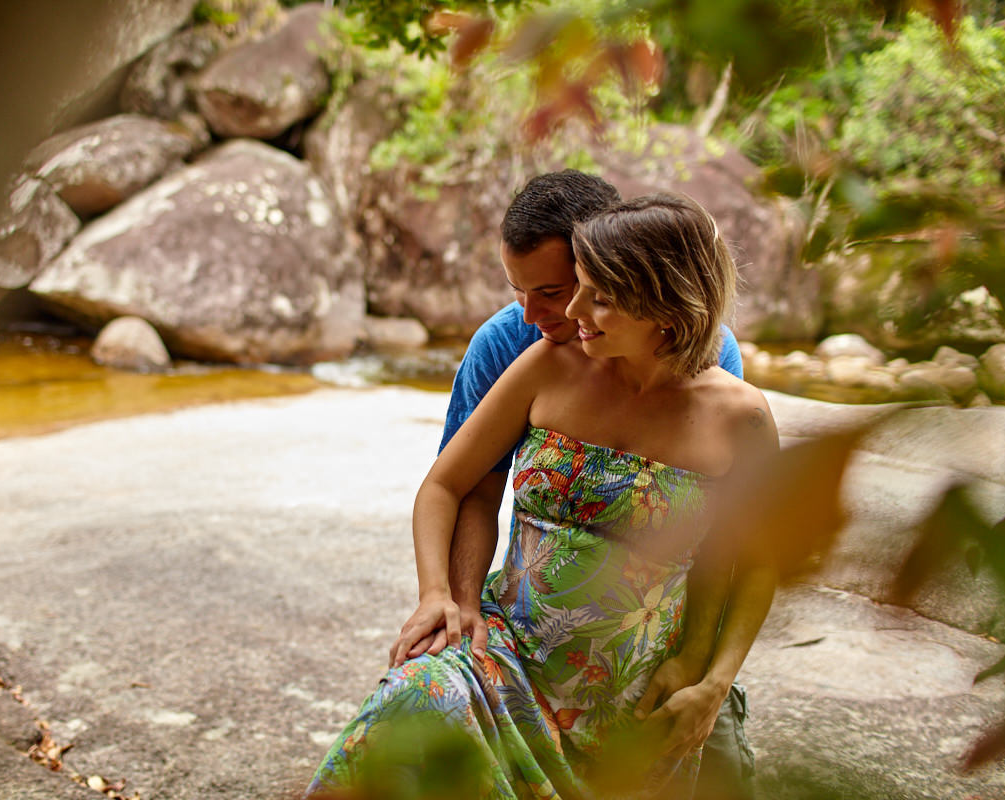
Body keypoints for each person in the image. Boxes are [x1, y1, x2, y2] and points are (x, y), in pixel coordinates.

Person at [306, 192, 778, 799]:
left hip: (634, 694)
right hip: (508, 657)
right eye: (575, 288)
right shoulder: (542, 362)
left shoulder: (739, 414)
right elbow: (452, 484)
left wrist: (710, 678)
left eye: (596, 295)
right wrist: (442, 598)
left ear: (663, 306)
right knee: (405, 708)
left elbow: (750, 558)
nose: (569, 312)